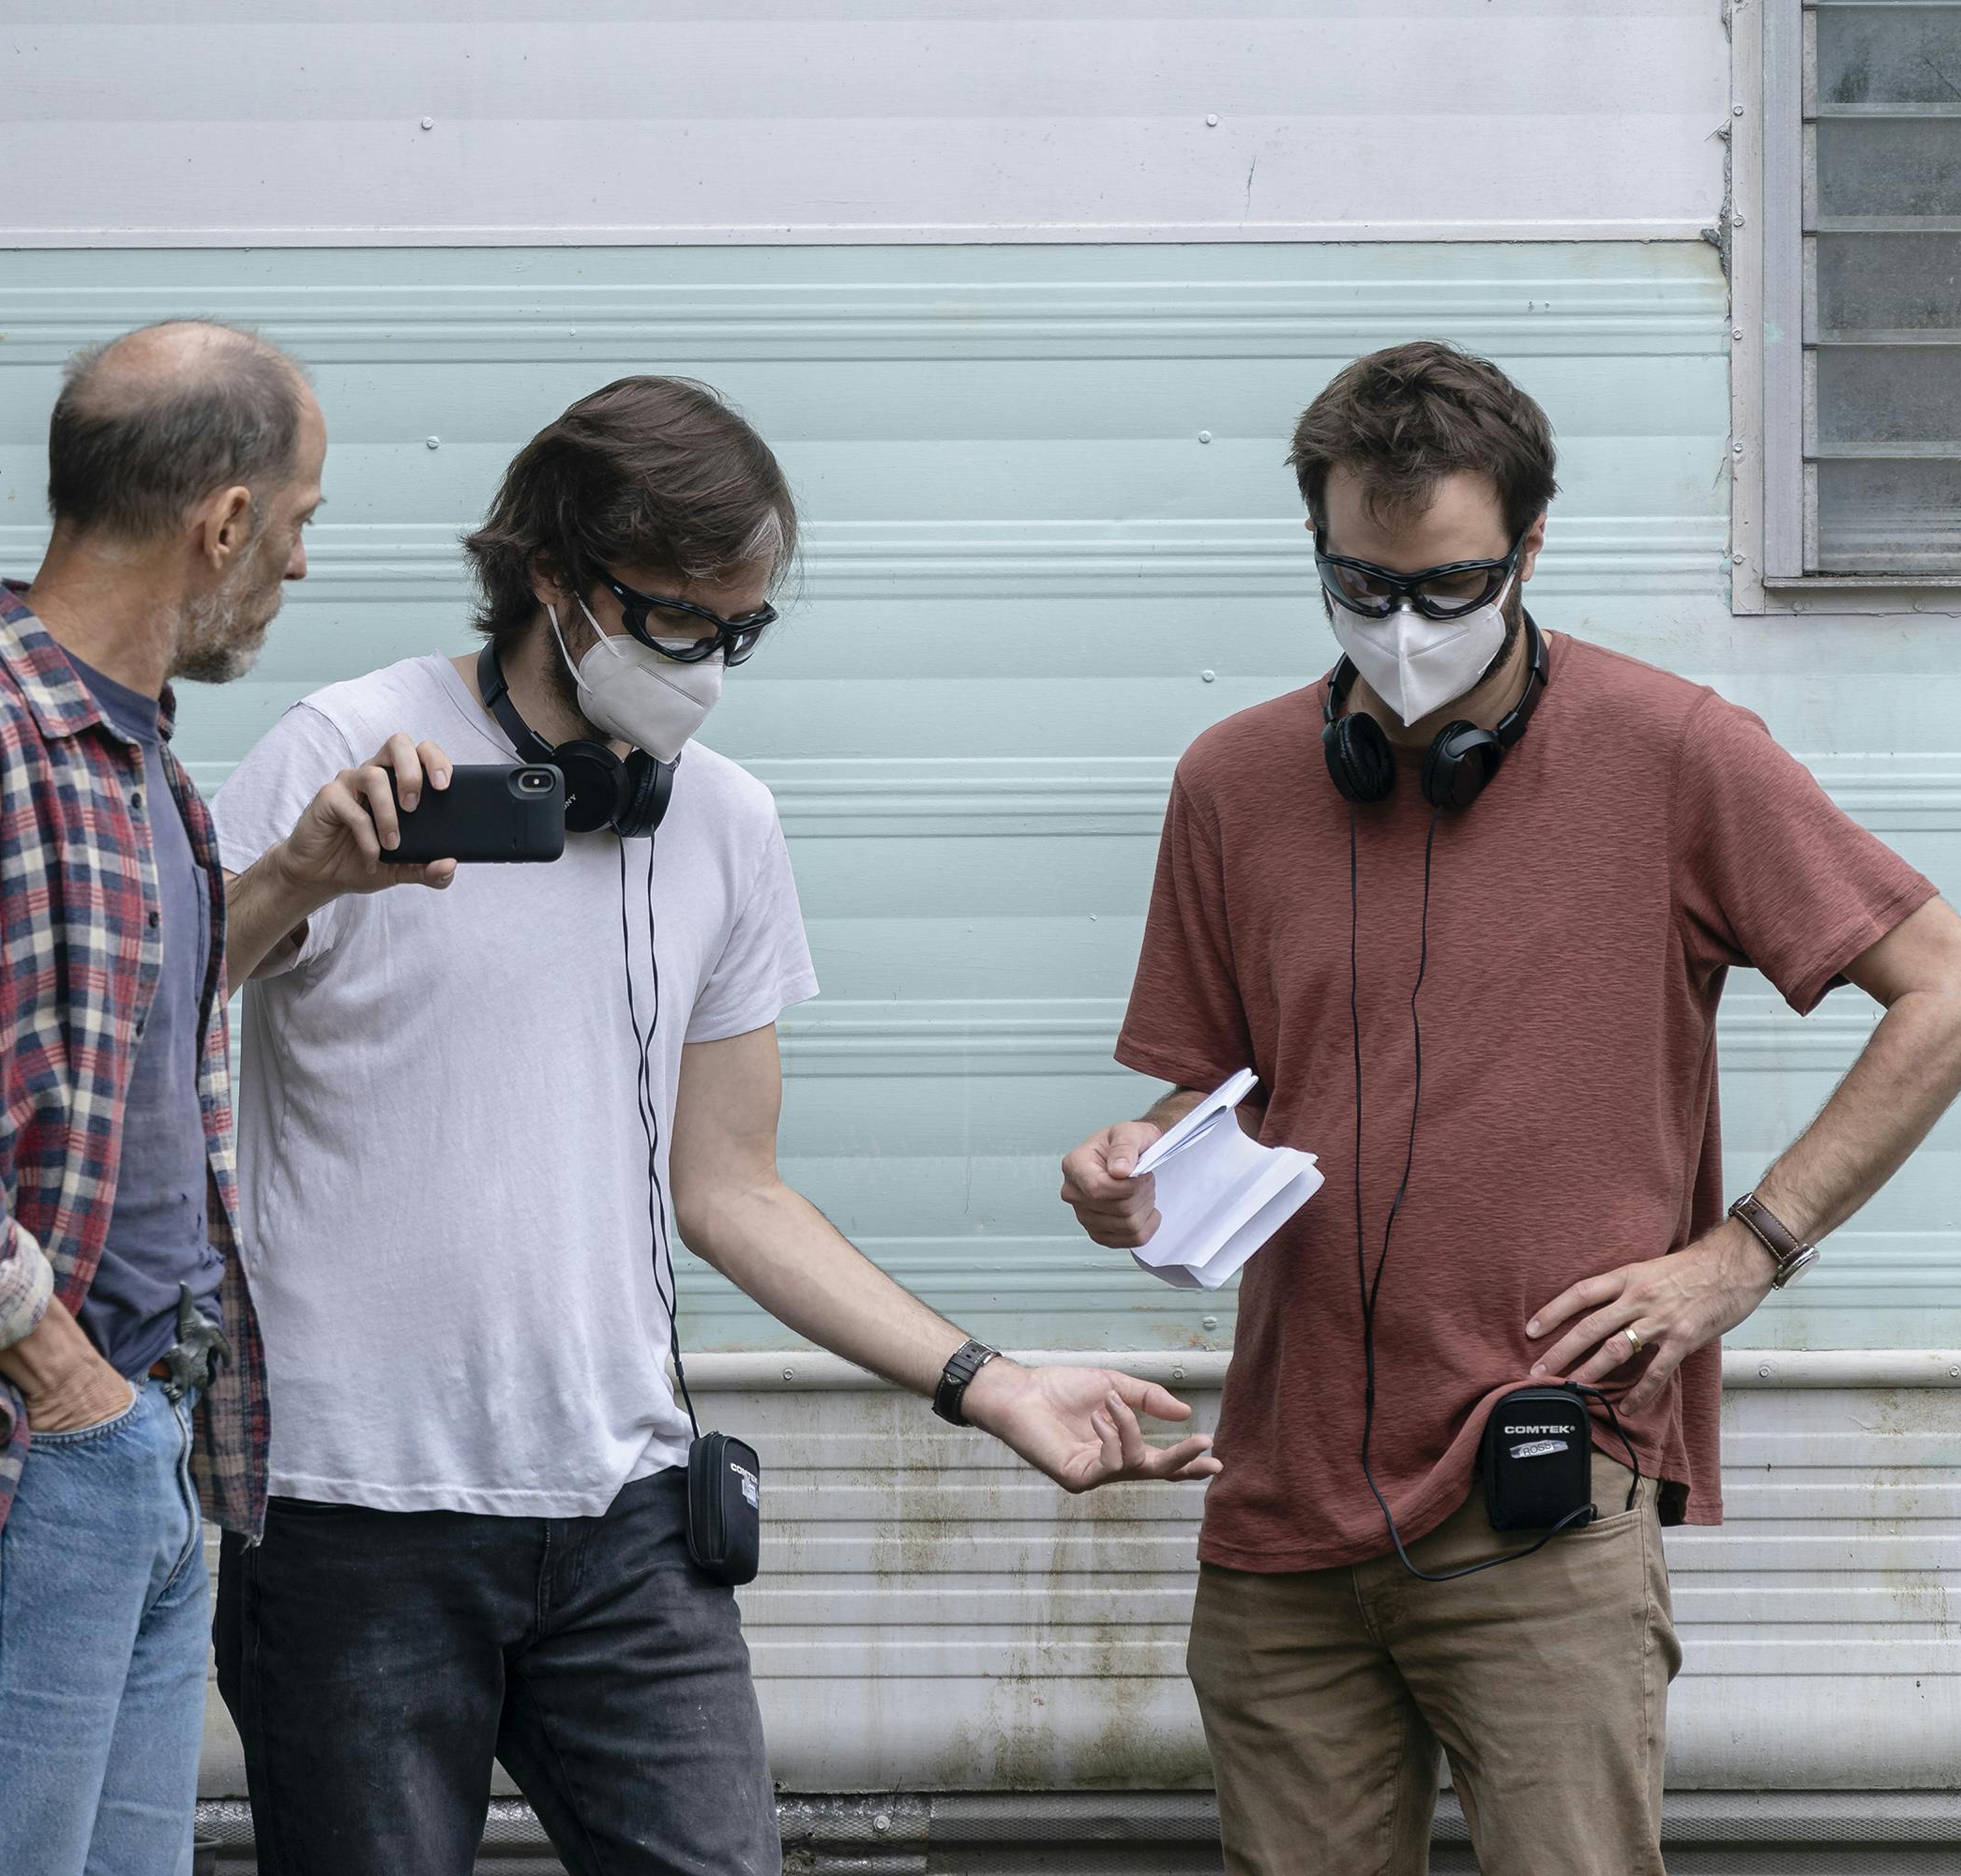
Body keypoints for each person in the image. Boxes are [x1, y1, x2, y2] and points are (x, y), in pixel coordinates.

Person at [207, 373, 1221, 1876]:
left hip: (626, 1515)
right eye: (673, 620)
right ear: (552, 575)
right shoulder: (346, 756)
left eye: (735, 629)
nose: (702, 666)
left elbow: (731, 1185)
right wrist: (298, 875)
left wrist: (990, 1384)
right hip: (353, 1515)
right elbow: (141, 1006)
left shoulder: (726, 821)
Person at [1057, 340, 1961, 1876]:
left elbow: (1956, 990)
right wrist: (1135, 1175)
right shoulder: (1228, 783)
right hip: (1283, 1511)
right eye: (1360, 587)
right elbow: (1213, 1096)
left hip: (1542, 1493)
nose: (1402, 627)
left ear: (1528, 550)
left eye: (1446, 587)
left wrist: (1743, 1252)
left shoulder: (1677, 752)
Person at [0, 321, 460, 1876]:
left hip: (132, 1450)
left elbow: (107, 1037)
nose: (297, 568)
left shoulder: (127, 762)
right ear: (222, 522)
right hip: (9, 1467)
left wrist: (298, 878)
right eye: (298, 526)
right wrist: (70, 1392)